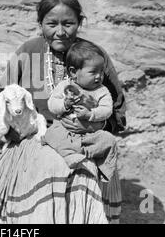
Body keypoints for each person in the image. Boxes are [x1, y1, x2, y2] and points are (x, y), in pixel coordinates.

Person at [0, 0, 126, 223]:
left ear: (80, 23)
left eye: (69, 24)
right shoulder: (28, 51)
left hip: (85, 136)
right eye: (52, 24)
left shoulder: (94, 56)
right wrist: (14, 131)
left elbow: (118, 108)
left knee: (83, 169)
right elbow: (1, 97)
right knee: (52, 166)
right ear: (40, 23)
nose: (60, 32)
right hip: (35, 137)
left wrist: (96, 122)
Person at [44, 40, 118, 182]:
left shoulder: (101, 91)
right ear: (73, 72)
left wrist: (91, 114)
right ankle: (70, 155)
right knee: (52, 134)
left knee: (109, 141)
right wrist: (64, 104)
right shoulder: (65, 86)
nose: (99, 76)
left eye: (101, 71)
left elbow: (107, 109)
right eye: (93, 72)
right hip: (65, 130)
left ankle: (104, 169)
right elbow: (52, 104)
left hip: (89, 134)